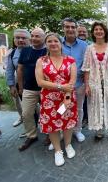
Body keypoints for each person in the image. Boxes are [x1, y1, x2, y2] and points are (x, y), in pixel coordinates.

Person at [35, 33, 77, 166]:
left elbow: (72, 81)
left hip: (67, 98)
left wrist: (67, 97)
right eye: (49, 41)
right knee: (52, 125)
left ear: (61, 43)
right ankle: (58, 151)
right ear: (46, 44)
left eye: (56, 41)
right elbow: (40, 82)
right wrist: (60, 86)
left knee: (67, 123)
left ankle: (68, 145)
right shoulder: (41, 61)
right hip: (49, 100)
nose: (53, 43)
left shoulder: (70, 60)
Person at [82, 22, 108, 141]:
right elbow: (86, 68)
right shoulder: (89, 49)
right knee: (95, 104)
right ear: (93, 32)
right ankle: (99, 131)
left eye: (101, 29)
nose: (98, 31)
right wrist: (87, 85)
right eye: (96, 29)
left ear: (105, 32)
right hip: (94, 83)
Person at [17, 28, 47, 151]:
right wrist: (20, 86)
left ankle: (51, 135)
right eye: (33, 36)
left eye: (37, 36)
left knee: (48, 113)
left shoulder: (48, 50)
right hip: (28, 88)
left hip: (46, 88)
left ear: (43, 38)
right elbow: (20, 69)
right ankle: (31, 135)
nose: (34, 38)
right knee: (26, 113)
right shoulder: (25, 51)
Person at [62, 18, 87, 142]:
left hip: (79, 84)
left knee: (79, 109)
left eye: (73, 27)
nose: (70, 29)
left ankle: (77, 130)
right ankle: (61, 132)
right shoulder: (57, 43)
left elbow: (87, 64)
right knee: (61, 108)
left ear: (76, 29)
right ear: (63, 29)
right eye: (67, 27)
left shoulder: (84, 45)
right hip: (61, 86)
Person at [6, 29, 30, 128]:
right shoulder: (12, 53)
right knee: (26, 108)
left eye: (23, 38)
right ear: (14, 39)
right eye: (17, 38)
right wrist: (11, 86)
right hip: (21, 85)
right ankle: (30, 130)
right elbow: (10, 70)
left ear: (29, 39)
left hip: (37, 84)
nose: (20, 40)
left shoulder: (35, 50)